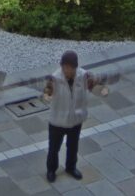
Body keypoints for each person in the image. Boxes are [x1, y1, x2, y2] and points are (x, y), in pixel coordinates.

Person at [40, 51, 114, 183]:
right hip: (57, 120)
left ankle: (71, 167)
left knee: (73, 146)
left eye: (69, 67)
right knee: (54, 148)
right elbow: (47, 91)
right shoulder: (55, 78)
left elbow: (95, 86)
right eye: (64, 66)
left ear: (75, 67)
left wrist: (102, 90)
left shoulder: (84, 76)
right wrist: (47, 96)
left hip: (75, 119)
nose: (66, 70)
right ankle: (51, 170)